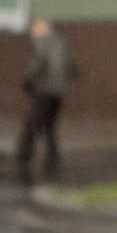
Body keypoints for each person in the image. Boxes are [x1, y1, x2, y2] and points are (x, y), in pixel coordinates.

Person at [16, 14, 73, 187]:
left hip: (44, 91)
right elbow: (73, 66)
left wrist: (28, 80)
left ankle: (24, 155)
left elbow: (37, 65)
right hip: (58, 92)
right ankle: (52, 158)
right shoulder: (63, 43)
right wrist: (64, 81)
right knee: (49, 125)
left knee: (33, 124)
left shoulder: (41, 43)